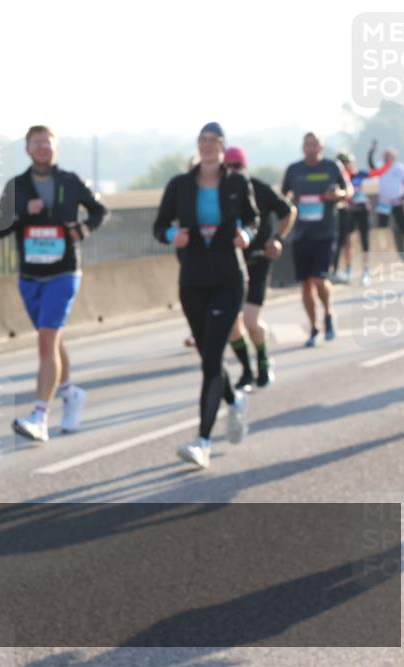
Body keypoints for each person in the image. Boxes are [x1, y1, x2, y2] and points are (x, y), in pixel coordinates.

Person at [0, 125, 108, 442]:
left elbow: (100, 210)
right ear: (27, 148)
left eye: (48, 142)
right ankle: (70, 393)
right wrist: (21, 213)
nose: (43, 147)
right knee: (51, 341)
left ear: (56, 147)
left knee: (46, 342)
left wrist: (83, 230)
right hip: (30, 276)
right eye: (36, 143)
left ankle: (39, 415)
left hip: (64, 272)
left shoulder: (70, 181)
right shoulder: (16, 186)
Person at [153, 122, 260, 469]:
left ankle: (202, 442)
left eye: (214, 140)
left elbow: (253, 219)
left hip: (229, 278)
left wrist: (245, 233)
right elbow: (159, 226)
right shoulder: (180, 185)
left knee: (211, 359)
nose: (208, 145)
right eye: (203, 140)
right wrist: (172, 234)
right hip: (193, 279)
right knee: (208, 356)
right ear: (198, 146)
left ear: (223, 146)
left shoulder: (236, 183)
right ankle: (235, 401)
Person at [223, 146, 296, 390]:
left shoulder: (257, 187)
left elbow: (288, 211)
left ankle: (263, 359)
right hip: (231, 265)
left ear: (244, 166)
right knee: (233, 323)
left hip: (257, 261)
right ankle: (246, 370)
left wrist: (276, 238)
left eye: (237, 166)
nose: (233, 171)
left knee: (251, 322)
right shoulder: (218, 191)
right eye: (229, 166)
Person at [281, 132, 351, 347]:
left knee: (320, 279)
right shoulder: (294, 170)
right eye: (307, 145)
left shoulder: (332, 167)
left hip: (325, 232)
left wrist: (337, 195)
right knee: (306, 285)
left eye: (315, 145)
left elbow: (348, 190)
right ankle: (313, 327)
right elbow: (283, 197)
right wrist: (289, 205)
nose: (311, 148)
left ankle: (328, 314)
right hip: (301, 233)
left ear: (321, 147)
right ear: (303, 148)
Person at [334, 143, 388, 284]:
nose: (347, 166)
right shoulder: (338, 178)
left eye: (348, 163)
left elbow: (376, 171)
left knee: (364, 241)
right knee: (346, 240)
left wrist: (371, 153)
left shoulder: (359, 174)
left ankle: (365, 270)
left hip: (362, 210)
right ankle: (348, 268)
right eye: (344, 163)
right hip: (347, 212)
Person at [369, 143, 404, 264]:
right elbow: (372, 166)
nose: (385, 158)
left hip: (397, 202)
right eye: (384, 156)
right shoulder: (381, 166)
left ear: (393, 157)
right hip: (384, 203)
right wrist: (371, 152)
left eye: (388, 156)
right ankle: (385, 254)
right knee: (382, 227)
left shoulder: (399, 167)